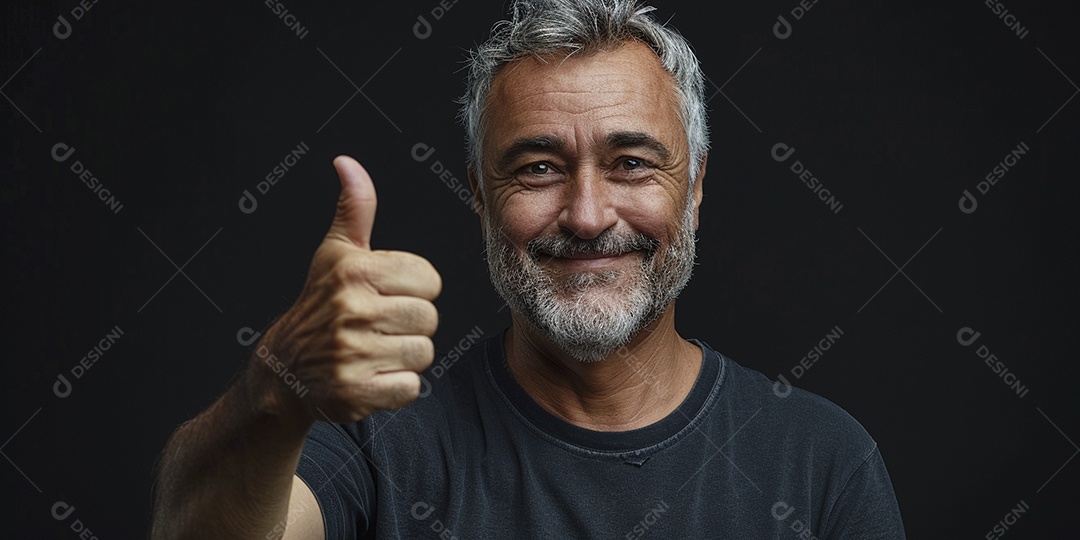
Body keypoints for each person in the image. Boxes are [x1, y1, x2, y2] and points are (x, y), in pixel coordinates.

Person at [151, 0, 906, 538]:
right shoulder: (376, 447)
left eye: (632, 163)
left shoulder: (821, 462)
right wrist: (277, 384)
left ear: (696, 186)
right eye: (539, 167)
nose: (585, 215)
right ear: (479, 196)